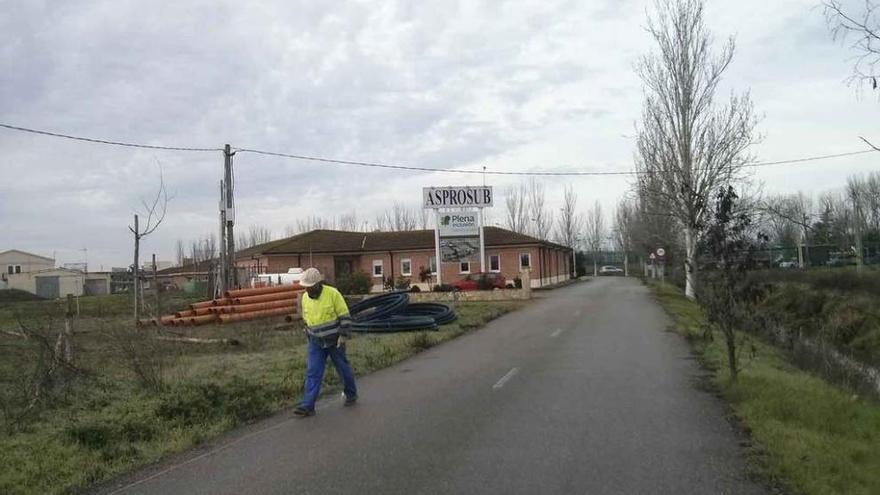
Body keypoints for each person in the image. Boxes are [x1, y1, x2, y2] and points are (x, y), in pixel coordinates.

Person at [294, 267, 358, 417]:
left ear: (318, 284)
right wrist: (307, 332)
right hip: (316, 341)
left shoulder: (333, 294)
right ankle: (308, 405)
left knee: (342, 368)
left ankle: (351, 393)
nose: (308, 290)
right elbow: (306, 319)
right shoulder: (304, 298)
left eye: (311, 287)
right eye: (306, 288)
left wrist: (343, 336)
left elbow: (345, 316)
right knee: (313, 372)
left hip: (335, 340)